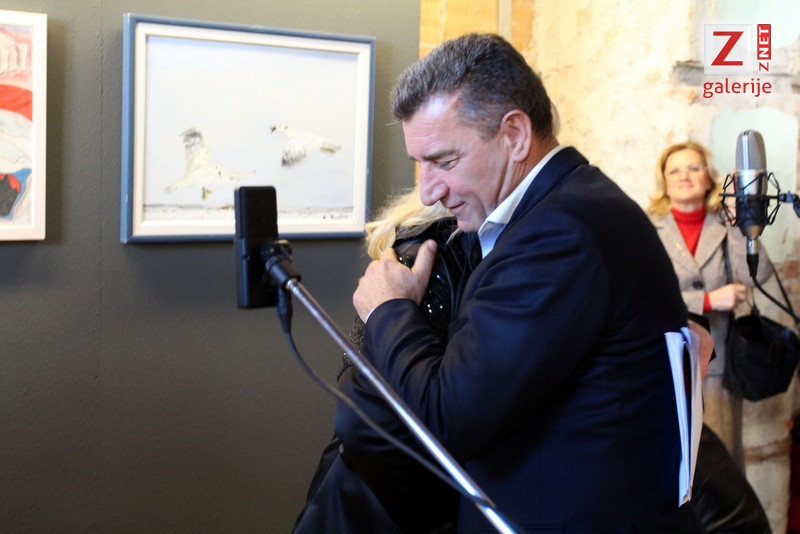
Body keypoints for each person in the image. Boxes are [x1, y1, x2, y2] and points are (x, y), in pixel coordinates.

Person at [333, 33, 705, 532]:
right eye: (419, 164)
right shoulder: (567, 208)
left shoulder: (559, 231)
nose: (428, 190)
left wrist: (388, 309)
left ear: (515, 135)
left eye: (444, 160)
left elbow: (448, 420)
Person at [646, 141, 772, 465]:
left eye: (694, 167)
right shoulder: (645, 227)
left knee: (722, 469)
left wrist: (738, 219)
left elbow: (758, 274)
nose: (684, 176)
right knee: (670, 464)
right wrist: (706, 300)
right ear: (664, 181)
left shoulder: (725, 223)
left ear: (709, 178)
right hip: (662, 365)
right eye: (675, 170)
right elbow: (640, 295)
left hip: (717, 366)